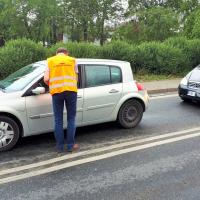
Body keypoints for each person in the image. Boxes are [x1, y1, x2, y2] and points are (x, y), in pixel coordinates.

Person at [44, 47, 79, 153]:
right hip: (71, 91)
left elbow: (46, 79)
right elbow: (76, 78)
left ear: (56, 53)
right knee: (71, 119)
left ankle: (59, 147)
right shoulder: (72, 60)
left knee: (58, 120)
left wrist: (52, 85)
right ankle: (70, 146)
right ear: (66, 53)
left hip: (57, 92)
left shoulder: (50, 61)